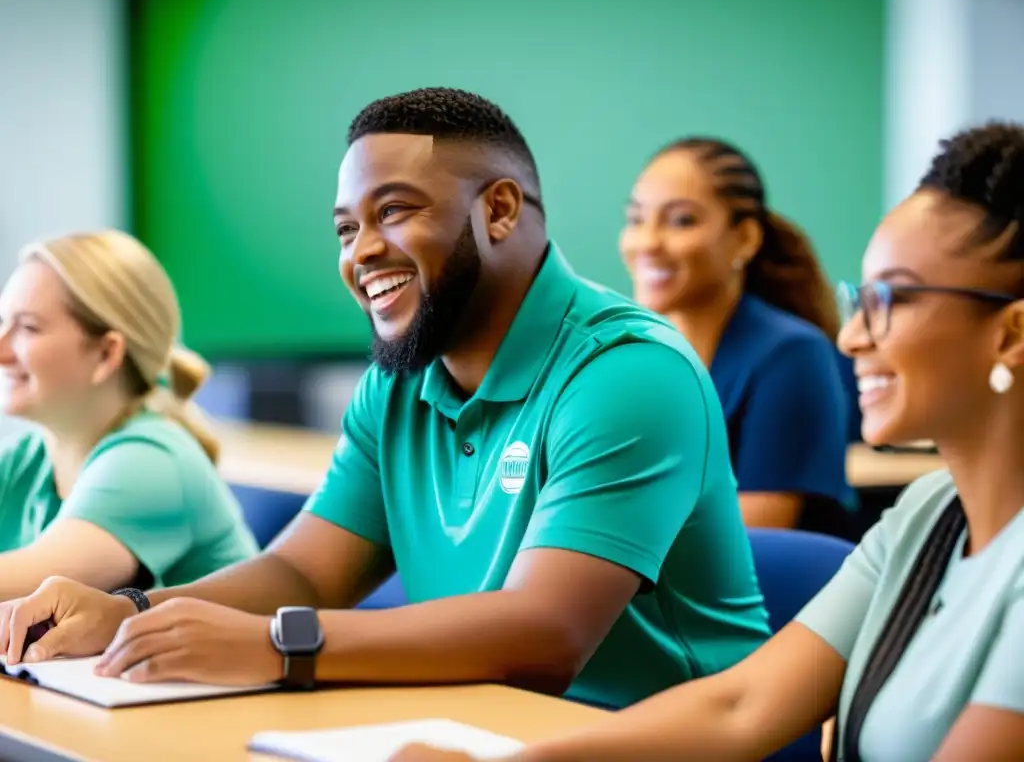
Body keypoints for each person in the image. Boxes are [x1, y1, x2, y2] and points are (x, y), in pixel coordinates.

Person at [0, 88, 770, 708]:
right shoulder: (399, 381)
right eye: (345, 228)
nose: (361, 252)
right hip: (471, 729)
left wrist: (278, 644)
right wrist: (134, 613)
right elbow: (306, 575)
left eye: (394, 211)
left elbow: (546, 633)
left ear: (499, 211)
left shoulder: (628, 373)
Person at [389, 121, 1024, 761]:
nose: (853, 337)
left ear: (1011, 334)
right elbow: (739, 705)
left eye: (893, 298)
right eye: (858, 300)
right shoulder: (926, 518)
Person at [0, 230, 258, 601]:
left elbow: (36, 590)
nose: (1, 350)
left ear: (106, 354)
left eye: (27, 328)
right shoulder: (28, 459)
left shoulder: (152, 462)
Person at [620, 137, 854, 533]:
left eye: (681, 220)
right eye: (636, 219)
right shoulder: (634, 354)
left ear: (745, 239)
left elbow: (759, 538)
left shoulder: (791, 354)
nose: (647, 242)